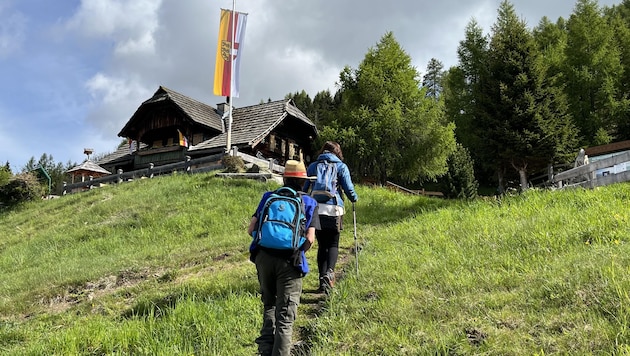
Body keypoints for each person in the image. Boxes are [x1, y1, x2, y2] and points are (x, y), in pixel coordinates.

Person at [247, 160, 320, 356]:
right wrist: (298, 251)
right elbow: (310, 239)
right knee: (285, 318)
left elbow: (251, 229)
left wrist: (265, 244)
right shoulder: (310, 203)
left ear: (284, 178)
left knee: (269, 304)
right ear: (304, 181)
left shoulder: (268, 197)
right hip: (291, 262)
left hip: (263, 258)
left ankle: (264, 351)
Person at [303, 141, 358, 293]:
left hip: (316, 209)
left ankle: (322, 281)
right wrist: (354, 198)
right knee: (333, 244)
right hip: (334, 209)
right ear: (337, 152)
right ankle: (330, 273)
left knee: (322, 246)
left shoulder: (313, 166)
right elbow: (348, 188)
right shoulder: (341, 166)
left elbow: (305, 187)